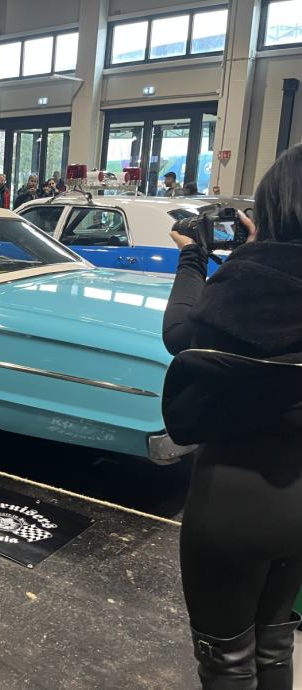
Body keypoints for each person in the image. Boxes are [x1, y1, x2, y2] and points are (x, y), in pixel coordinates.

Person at [162, 143, 302, 687]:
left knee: (228, 660)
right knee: (276, 643)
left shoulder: (252, 276)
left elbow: (181, 334)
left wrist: (194, 257)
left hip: (237, 495)